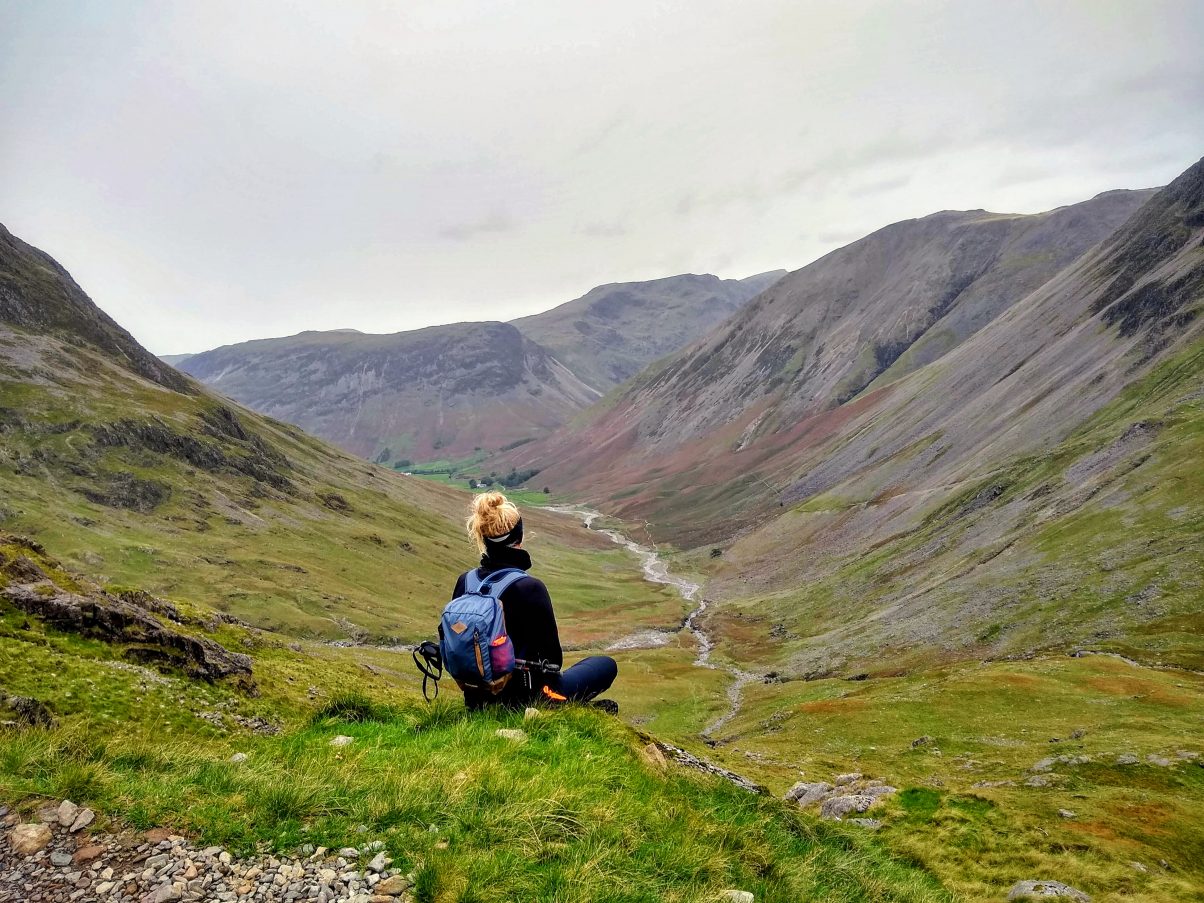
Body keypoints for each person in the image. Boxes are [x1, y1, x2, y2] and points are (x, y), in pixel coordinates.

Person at [454, 491, 618, 711]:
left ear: (483, 539)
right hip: (530, 698)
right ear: (518, 537)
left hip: (477, 698)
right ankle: (562, 708)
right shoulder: (530, 588)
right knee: (605, 665)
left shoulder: (465, 582)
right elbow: (553, 660)